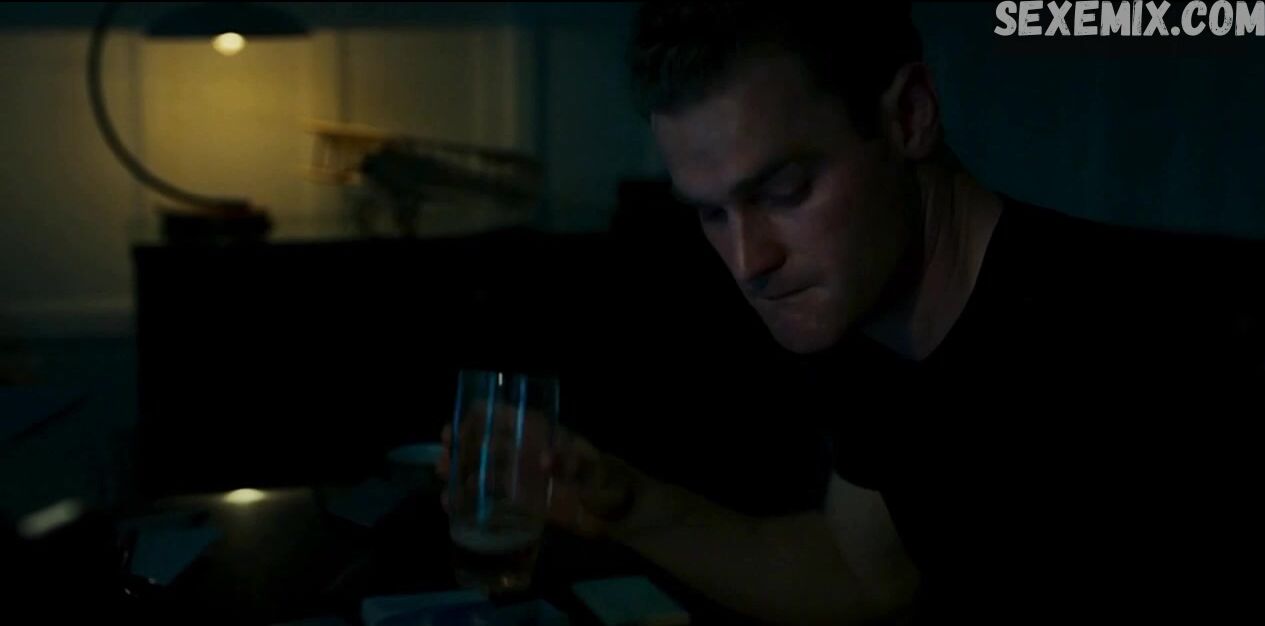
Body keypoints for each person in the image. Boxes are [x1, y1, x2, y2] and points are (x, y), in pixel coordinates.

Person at [442, 3, 1263, 624]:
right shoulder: (863, 314)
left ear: (908, 115)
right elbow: (863, 571)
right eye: (711, 213)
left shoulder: (1139, 345)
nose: (748, 261)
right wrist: (626, 504)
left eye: (785, 190)